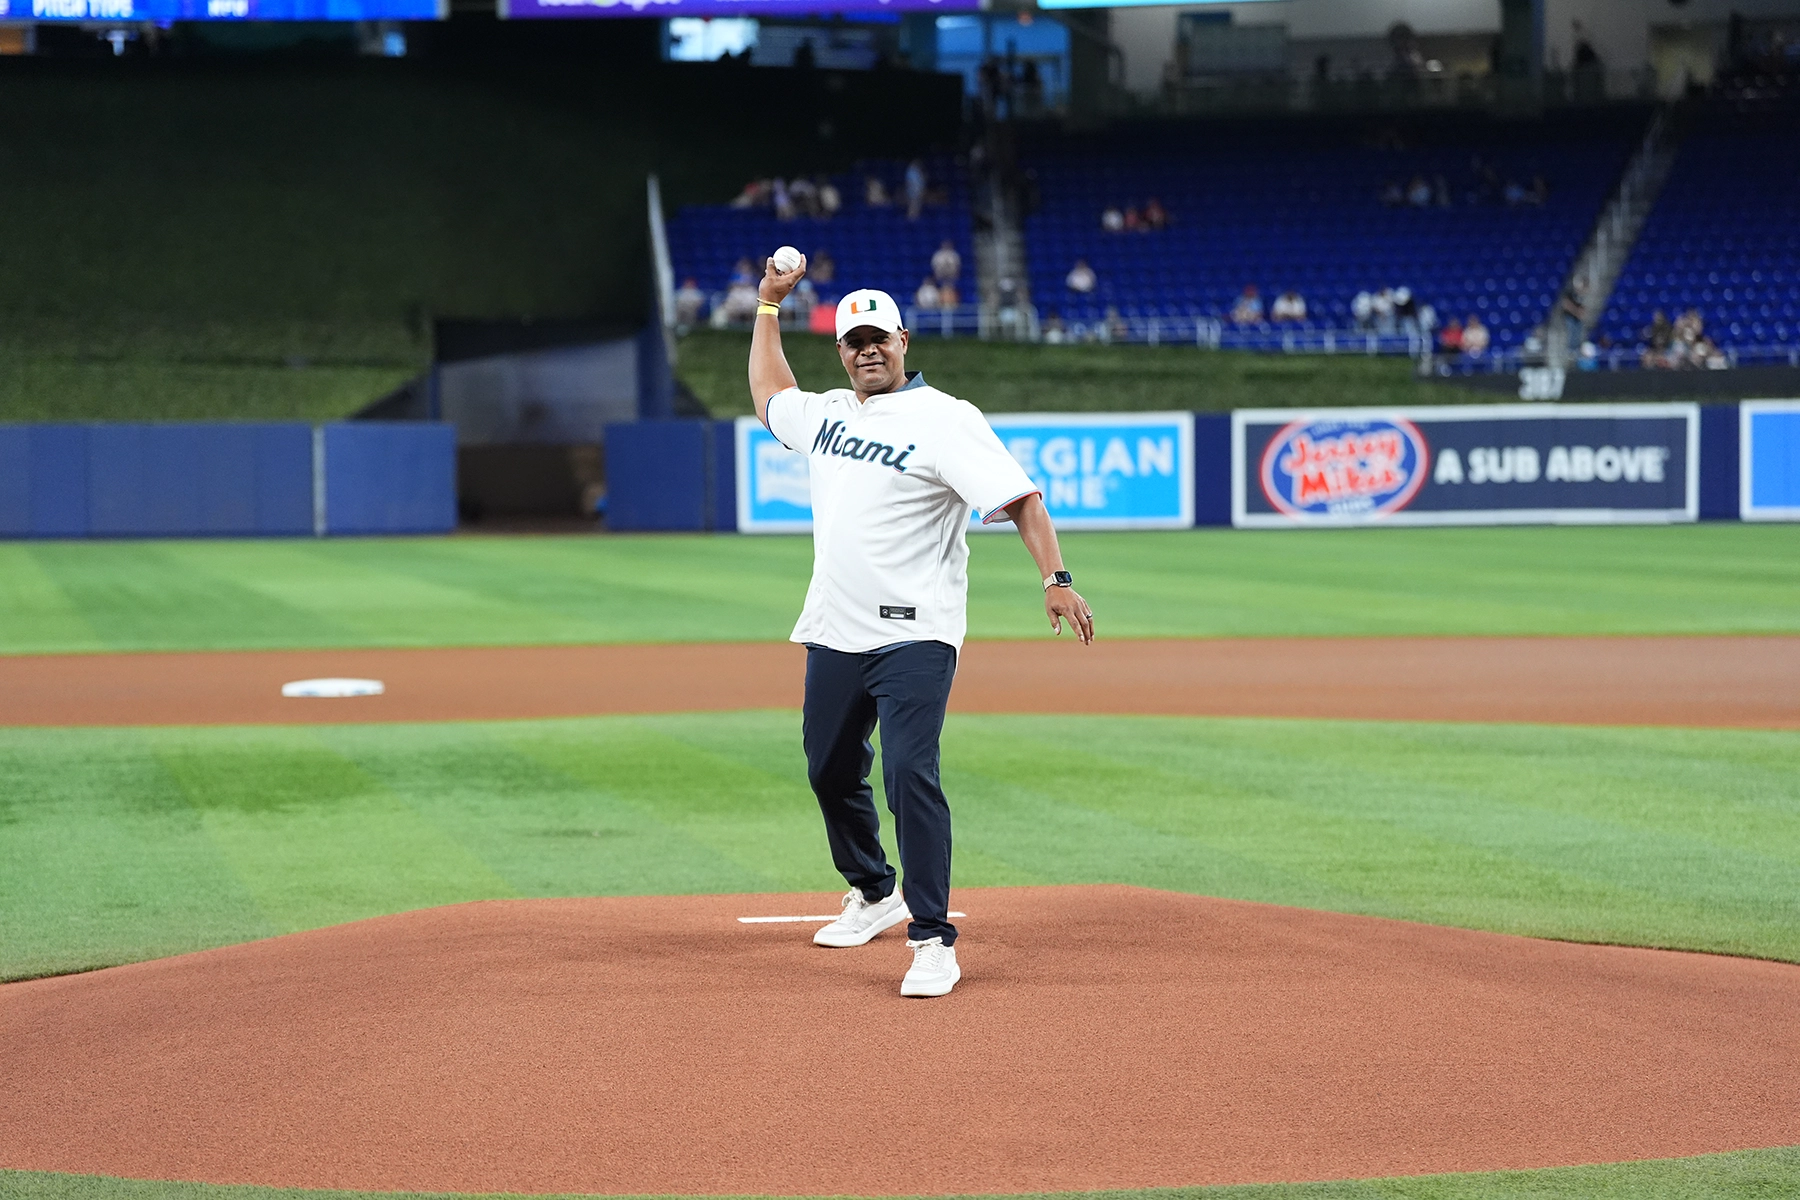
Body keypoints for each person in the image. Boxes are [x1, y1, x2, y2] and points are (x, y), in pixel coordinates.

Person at [749, 256, 1094, 999]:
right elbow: (771, 392)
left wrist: (1055, 578)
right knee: (828, 769)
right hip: (834, 629)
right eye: (853, 341)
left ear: (904, 341)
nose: (867, 349)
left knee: (909, 775)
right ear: (840, 352)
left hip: (916, 634)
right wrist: (769, 308)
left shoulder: (947, 418)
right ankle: (875, 892)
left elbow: (1022, 499)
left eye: (879, 337)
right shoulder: (830, 415)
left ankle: (933, 939)